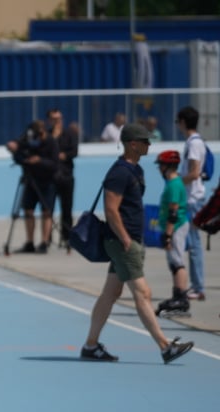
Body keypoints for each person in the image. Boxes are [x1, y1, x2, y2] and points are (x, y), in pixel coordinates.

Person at [80, 123, 193, 365]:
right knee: (143, 293)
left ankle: (90, 345)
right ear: (133, 144)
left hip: (128, 240)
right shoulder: (119, 173)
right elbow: (111, 209)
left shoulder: (135, 170)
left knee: (110, 293)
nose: (149, 145)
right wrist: (125, 239)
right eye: (145, 141)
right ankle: (165, 347)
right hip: (122, 242)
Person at [6, 120, 59, 253]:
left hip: (47, 182)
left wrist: (40, 161)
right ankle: (29, 242)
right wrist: (14, 148)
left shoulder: (51, 142)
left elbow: (55, 164)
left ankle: (44, 242)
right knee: (28, 211)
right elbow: (18, 151)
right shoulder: (28, 138)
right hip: (30, 181)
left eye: (39, 135)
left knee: (47, 212)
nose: (37, 138)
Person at [153, 150, 191, 318]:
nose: (159, 169)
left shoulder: (174, 184)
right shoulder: (173, 182)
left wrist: (167, 235)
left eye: (160, 165)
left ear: (167, 166)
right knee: (174, 262)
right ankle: (178, 295)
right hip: (174, 227)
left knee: (177, 262)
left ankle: (181, 298)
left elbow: (173, 213)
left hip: (176, 227)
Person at [176, 106, 208, 301]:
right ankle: (196, 285)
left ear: (183, 122)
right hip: (192, 198)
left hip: (193, 199)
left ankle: (198, 287)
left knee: (194, 244)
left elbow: (194, 173)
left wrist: (176, 182)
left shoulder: (194, 144)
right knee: (190, 243)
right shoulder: (194, 142)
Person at [47, 108, 79, 249]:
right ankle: (46, 239)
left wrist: (63, 155)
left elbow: (74, 152)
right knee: (48, 210)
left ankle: (67, 238)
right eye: (54, 119)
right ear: (49, 120)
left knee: (67, 209)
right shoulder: (47, 135)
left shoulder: (70, 134)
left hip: (66, 176)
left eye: (59, 119)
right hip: (50, 178)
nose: (57, 122)